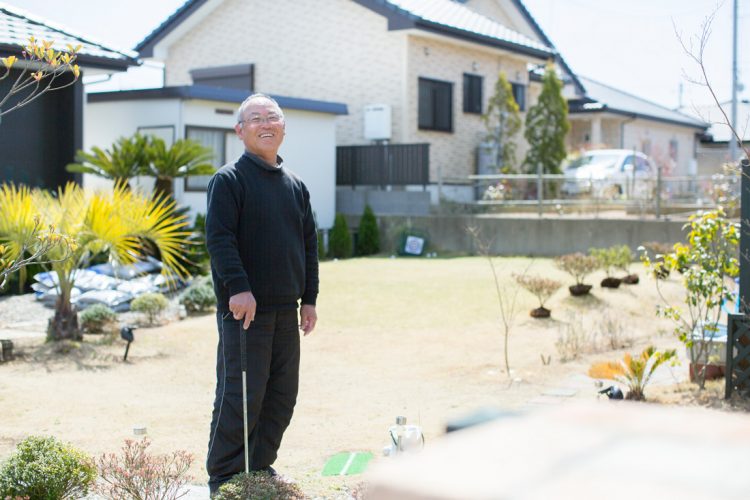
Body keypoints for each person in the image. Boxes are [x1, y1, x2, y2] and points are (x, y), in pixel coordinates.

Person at [204, 93, 319, 493]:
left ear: (284, 127)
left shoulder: (295, 186)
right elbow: (219, 239)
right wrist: (238, 287)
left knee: (281, 395)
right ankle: (223, 476)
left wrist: (310, 299)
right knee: (241, 396)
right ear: (240, 131)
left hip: (286, 310)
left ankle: (260, 466)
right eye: (255, 118)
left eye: (272, 116)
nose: (265, 123)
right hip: (244, 312)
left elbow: (308, 245)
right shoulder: (229, 181)